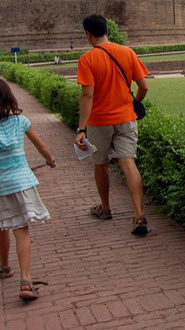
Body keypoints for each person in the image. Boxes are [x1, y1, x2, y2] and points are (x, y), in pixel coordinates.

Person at [0, 78, 56, 301]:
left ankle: (5, 266)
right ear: (9, 96)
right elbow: (41, 145)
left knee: (1, 225)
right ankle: (26, 280)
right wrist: (50, 160)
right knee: (21, 229)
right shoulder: (21, 122)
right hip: (22, 182)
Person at [74, 14, 150, 235]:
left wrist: (80, 129)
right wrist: (134, 103)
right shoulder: (127, 52)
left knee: (101, 164)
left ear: (88, 34)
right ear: (107, 29)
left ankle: (105, 208)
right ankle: (138, 214)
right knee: (129, 163)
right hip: (126, 118)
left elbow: (87, 95)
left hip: (99, 122)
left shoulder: (87, 59)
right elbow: (144, 86)